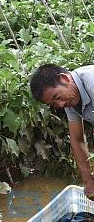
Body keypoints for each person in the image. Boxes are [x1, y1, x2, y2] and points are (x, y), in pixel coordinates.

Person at [30, 63, 94, 198]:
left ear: (64, 78)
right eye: (53, 103)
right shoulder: (71, 98)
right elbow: (77, 140)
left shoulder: (91, 82)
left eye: (57, 97)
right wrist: (88, 181)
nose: (60, 105)